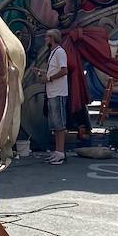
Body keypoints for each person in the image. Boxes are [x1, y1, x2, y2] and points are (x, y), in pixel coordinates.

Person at [43, 29, 69, 164]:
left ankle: (60, 152)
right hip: (52, 92)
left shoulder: (59, 52)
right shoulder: (53, 52)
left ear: (52, 38)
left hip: (58, 92)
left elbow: (64, 70)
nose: (45, 39)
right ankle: (57, 151)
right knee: (55, 124)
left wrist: (50, 78)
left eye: (47, 37)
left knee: (59, 124)